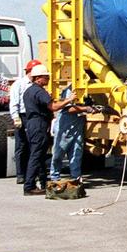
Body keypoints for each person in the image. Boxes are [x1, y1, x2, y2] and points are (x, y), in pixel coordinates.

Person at [20, 64, 75, 196]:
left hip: (31, 124)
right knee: (36, 155)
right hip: (39, 124)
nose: (49, 80)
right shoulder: (39, 92)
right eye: (46, 77)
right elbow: (54, 107)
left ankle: (42, 183)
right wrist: (69, 100)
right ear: (38, 78)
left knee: (39, 156)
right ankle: (29, 186)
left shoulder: (29, 91)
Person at [48, 85, 91, 184]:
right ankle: (55, 177)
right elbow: (69, 109)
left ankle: (76, 178)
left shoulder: (88, 88)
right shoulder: (71, 90)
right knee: (58, 153)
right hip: (65, 127)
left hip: (77, 126)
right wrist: (86, 108)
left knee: (76, 153)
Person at [8, 59, 40, 186]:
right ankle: (21, 174)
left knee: (34, 146)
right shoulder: (19, 84)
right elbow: (14, 102)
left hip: (34, 116)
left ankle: (33, 173)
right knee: (21, 145)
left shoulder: (38, 85)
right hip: (23, 116)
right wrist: (16, 117)